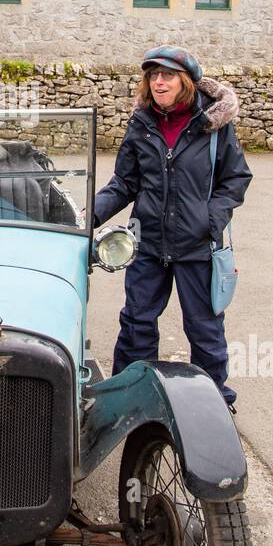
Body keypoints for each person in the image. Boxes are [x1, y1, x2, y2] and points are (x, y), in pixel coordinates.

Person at [93, 45, 252, 408]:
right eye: (153, 75)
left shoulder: (213, 126)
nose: (158, 82)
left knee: (205, 328)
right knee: (137, 321)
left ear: (186, 82)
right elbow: (124, 183)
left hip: (198, 245)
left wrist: (211, 219)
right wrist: (90, 217)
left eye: (167, 75)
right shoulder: (142, 124)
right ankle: (127, 396)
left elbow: (236, 178)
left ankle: (213, 401)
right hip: (148, 242)